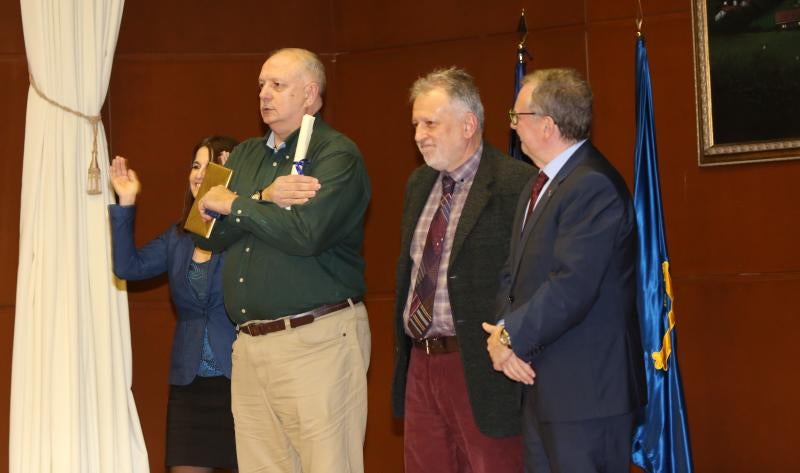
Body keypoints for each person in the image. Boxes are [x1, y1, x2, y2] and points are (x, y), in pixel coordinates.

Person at [196, 48, 371, 473]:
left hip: (317, 340)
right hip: (251, 347)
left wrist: (233, 203)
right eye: (261, 85)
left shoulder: (337, 155)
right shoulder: (243, 155)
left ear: (310, 94)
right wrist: (261, 197)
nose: (264, 94)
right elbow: (208, 232)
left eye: (278, 84)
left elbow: (305, 234)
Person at [483, 68, 648, 473]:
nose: (511, 125)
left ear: (547, 126)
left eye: (516, 115)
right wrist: (503, 339)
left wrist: (510, 336)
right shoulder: (537, 185)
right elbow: (514, 274)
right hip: (542, 388)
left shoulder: (593, 187)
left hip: (588, 397)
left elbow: (570, 288)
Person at [392, 67, 535, 473]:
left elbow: (526, 281)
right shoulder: (418, 184)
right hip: (422, 363)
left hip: (481, 368)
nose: (420, 134)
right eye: (416, 123)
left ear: (469, 124)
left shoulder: (514, 183)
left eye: (431, 123)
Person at [108, 136, 239, 473]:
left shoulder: (243, 236)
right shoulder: (176, 238)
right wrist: (125, 201)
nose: (199, 174)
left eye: (210, 167)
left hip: (240, 384)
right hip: (189, 387)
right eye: (195, 166)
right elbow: (127, 267)